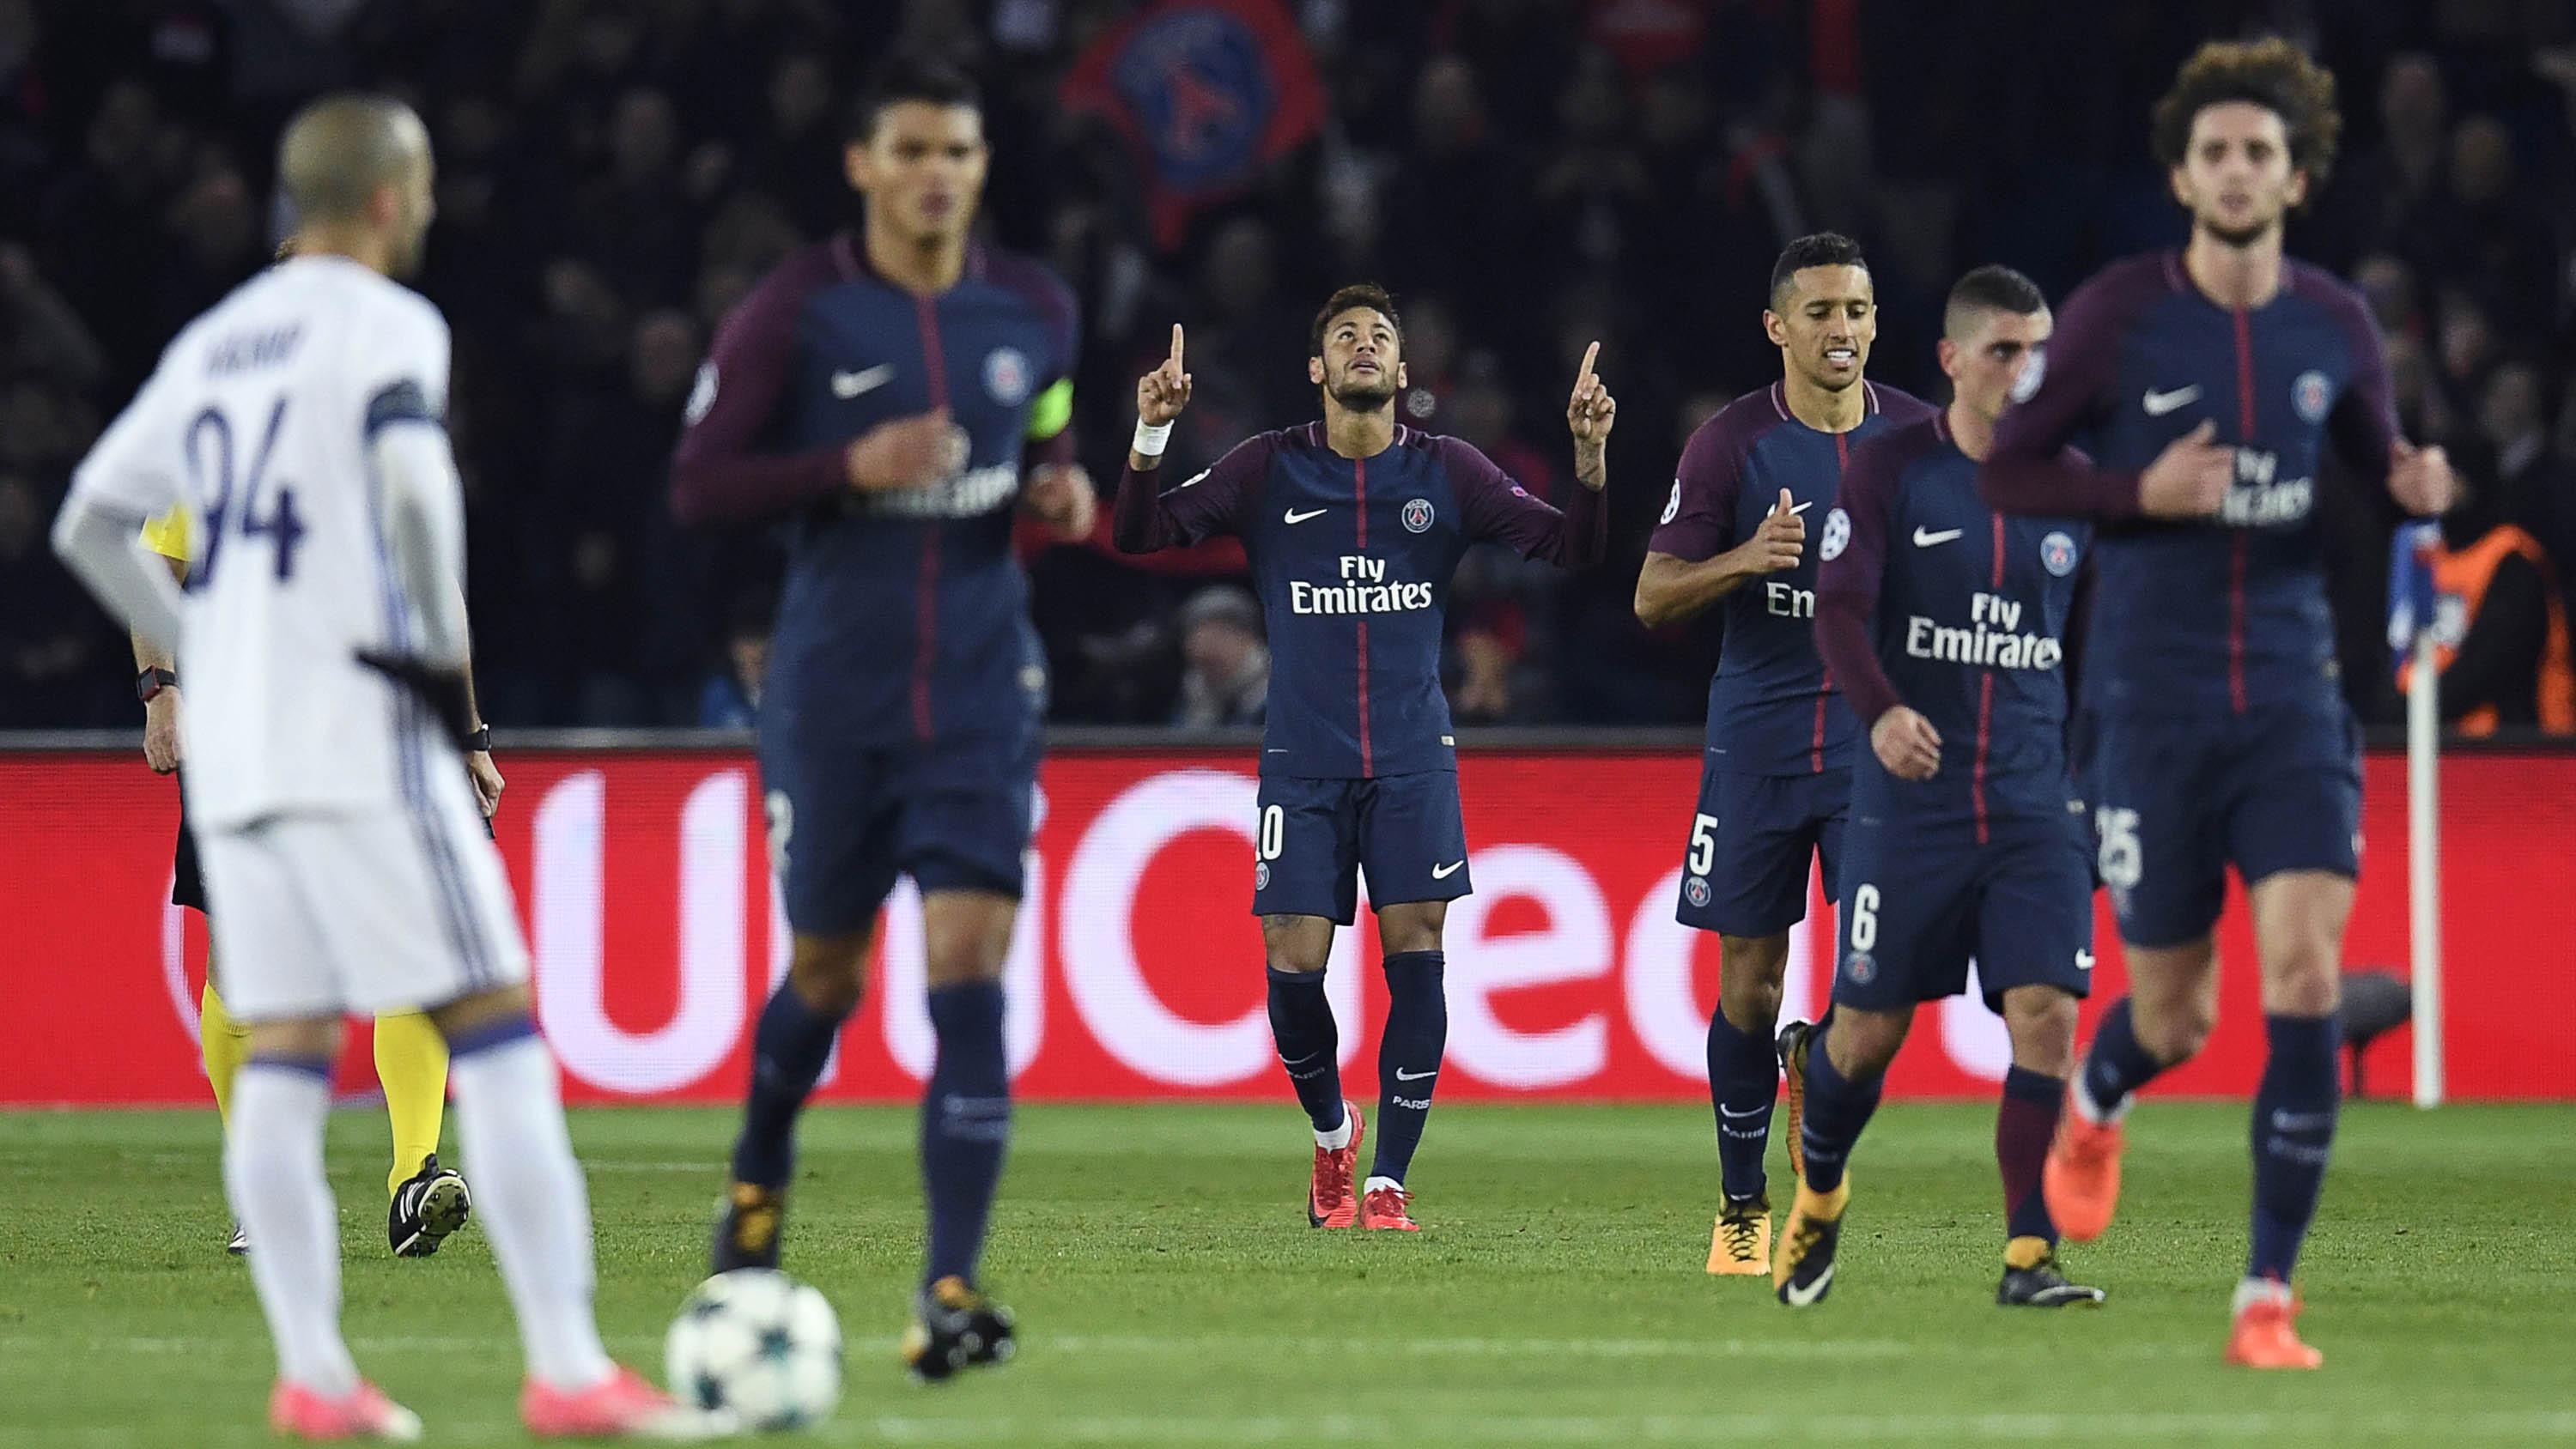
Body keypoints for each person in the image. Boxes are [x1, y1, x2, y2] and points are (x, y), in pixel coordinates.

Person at [52, 94, 699, 1439]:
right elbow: (412, 495)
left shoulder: (212, 345)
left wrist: (203, 653)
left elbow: (90, 522)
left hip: (246, 751)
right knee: (503, 1033)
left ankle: (315, 1378)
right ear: (397, 202)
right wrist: (424, 684)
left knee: (282, 1055)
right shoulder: (393, 326)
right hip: (359, 726)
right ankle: (570, 1369)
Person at [1980, 38, 2458, 1368]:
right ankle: (2097, 1095)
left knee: (2305, 974)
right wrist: (2138, 494)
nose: (2237, 172)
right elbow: (2011, 470)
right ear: (2183, 174)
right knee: (2179, 1013)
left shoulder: (2335, 321)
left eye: (2260, 152)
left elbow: (2376, 456)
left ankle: (2265, 1299)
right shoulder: (2121, 314)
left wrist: (2414, 480)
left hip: (2293, 697)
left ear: (2294, 177)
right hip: (2149, 700)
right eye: (2216, 153)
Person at [669, 55, 1091, 1381]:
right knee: (829, 979)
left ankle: (949, 1288)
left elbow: (1049, 442)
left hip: (977, 689)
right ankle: (754, 1181)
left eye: (957, 153)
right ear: (861, 165)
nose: (936, 175)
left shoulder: (1035, 307)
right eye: (911, 151)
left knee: (969, 970)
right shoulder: (798, 313)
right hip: (835, 690)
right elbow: (700, 486)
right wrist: (841, 466)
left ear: (979, 167)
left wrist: (1059, 496)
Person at [1112, 288, 1613, 1231]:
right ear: (1318, 369)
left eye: (1382, 334)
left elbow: (1570, 545)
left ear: (1404, 370)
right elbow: (1141, 533)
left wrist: (1589, 458)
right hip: (1302, 762)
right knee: (1292, 964)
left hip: (1414, 758)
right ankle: (1333, 1132)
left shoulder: (1448, 473)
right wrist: (1149, 434)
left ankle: (1386, 1182)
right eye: (1345, 336)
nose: (1366, 346)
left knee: (1416, 950)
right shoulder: (1268, 468)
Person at [1777, 265, 2105, 1309]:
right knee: (1869, 1032)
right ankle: (1820, 1194)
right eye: (2005, 350)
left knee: (2047, 1013)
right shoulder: (1891, 472)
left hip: (2031, 802)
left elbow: (2105, 653)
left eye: (2040, 351)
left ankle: (2028, 1254)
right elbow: (1838, 608)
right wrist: (1880, 710)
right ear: (1955, 360)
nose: (2027, 370)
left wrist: (2094, 785)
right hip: (1910, 802)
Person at [1631, 233, 1935, 1275]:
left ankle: (1819, 1063)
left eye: (1855, 310)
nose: (1840, 329)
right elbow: (1652, 595)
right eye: (1818, 313)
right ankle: (1742, 1205)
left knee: (1879, 982)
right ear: (1777, 327)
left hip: (1873, 752)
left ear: (1875, 322)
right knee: (1750, 984)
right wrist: (1747, 558)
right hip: (1757, 747)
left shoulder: (1922, 438)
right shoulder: (1730, 444)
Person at [133, 496, 493, 1259]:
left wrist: (468, 734)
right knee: (244, 961)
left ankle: (412, 1178)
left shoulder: (379, 435)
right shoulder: (217, 433)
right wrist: (160, 688)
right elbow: (155, 568)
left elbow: (438, 597)